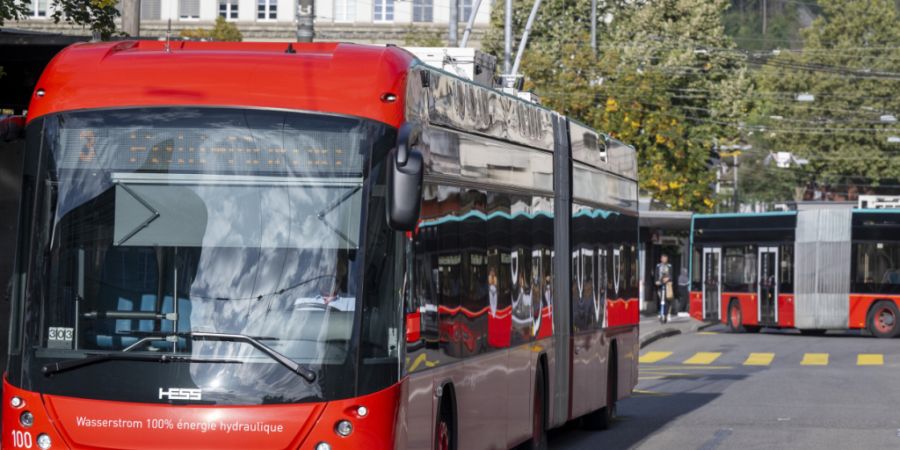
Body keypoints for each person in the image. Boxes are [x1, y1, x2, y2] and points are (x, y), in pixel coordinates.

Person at [654, 254, 673, 322]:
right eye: (663, 258)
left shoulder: (669, 266)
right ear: (661, 259)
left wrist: (668, 279)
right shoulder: (658, 266)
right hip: (660, 285)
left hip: (667, 285)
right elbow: (656, 274)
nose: (664, 259)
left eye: (666, 258)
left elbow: (671, 275)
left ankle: (666, 314)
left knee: (667, 300)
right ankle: (661, 312)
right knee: (660, 299)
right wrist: (656, 281)